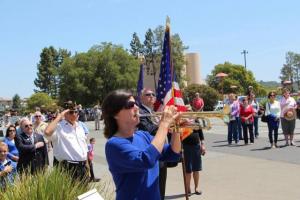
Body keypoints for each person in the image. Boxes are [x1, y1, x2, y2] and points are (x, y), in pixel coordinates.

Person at [102, 90, 181, 200]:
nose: (136, 108)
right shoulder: (114, 144)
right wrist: (164, 124)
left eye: (136, 104)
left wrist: (177, 129)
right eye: (130, 105)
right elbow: (147, 160)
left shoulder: (143, 135)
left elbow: (173, 154)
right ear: (115, 114)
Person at [44, 101, 89, 182]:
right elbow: (47, 132)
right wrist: (59, 116)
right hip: (67, 168)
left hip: (82, 167)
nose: (74, 114)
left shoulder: (80, 127)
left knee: (84, 194)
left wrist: (87, 165)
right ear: (65, 113)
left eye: (76, 111)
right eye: (71, 112)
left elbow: (84, 147)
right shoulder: (59, 127)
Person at [137, 88, 168, 200]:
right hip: (152, 153)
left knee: (162, 186)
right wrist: (164, 123)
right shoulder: (140, 113)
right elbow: (148, 130)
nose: (151, 96)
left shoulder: (153, 113)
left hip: (161, 153)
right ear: (141, 98)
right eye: (148, 94)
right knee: (155, 187)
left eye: (153, 94)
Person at [182, 118, 206, 196]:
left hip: (196, 146)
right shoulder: (183, 120)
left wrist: (202, 145)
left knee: (196, 168)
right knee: (188, 169)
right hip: (186, 147)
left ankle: (196, 188)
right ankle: (188, 188)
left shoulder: (196, 120)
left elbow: (201, 134)